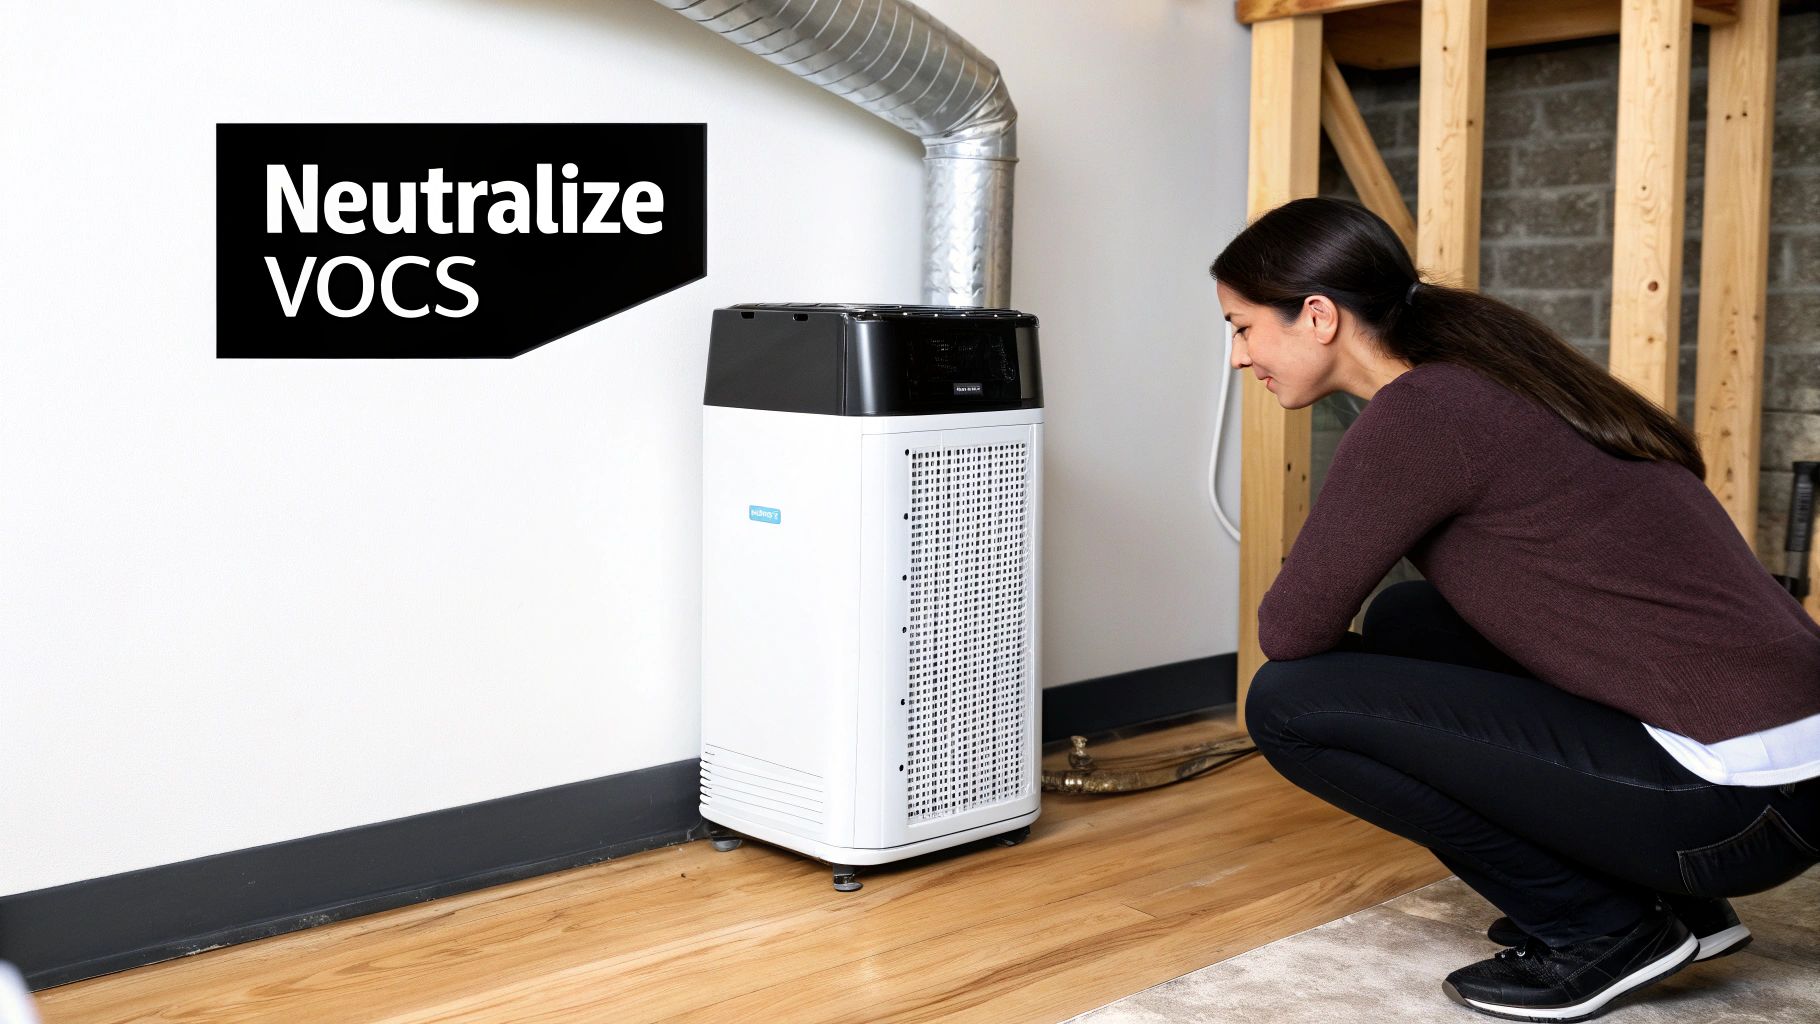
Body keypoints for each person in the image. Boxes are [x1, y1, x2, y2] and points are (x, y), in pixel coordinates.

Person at [1211, 196, 1820, 1023]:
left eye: (1243, 327)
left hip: (1732, 807)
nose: (1241, 356)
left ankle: (1604, 930)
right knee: (1410, 624)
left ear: (1317, 316)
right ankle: (1676, 910)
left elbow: (1290, 632)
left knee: (1288, 703)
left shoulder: (1421, 414)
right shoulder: (1485, 380)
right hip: (1787, 781)